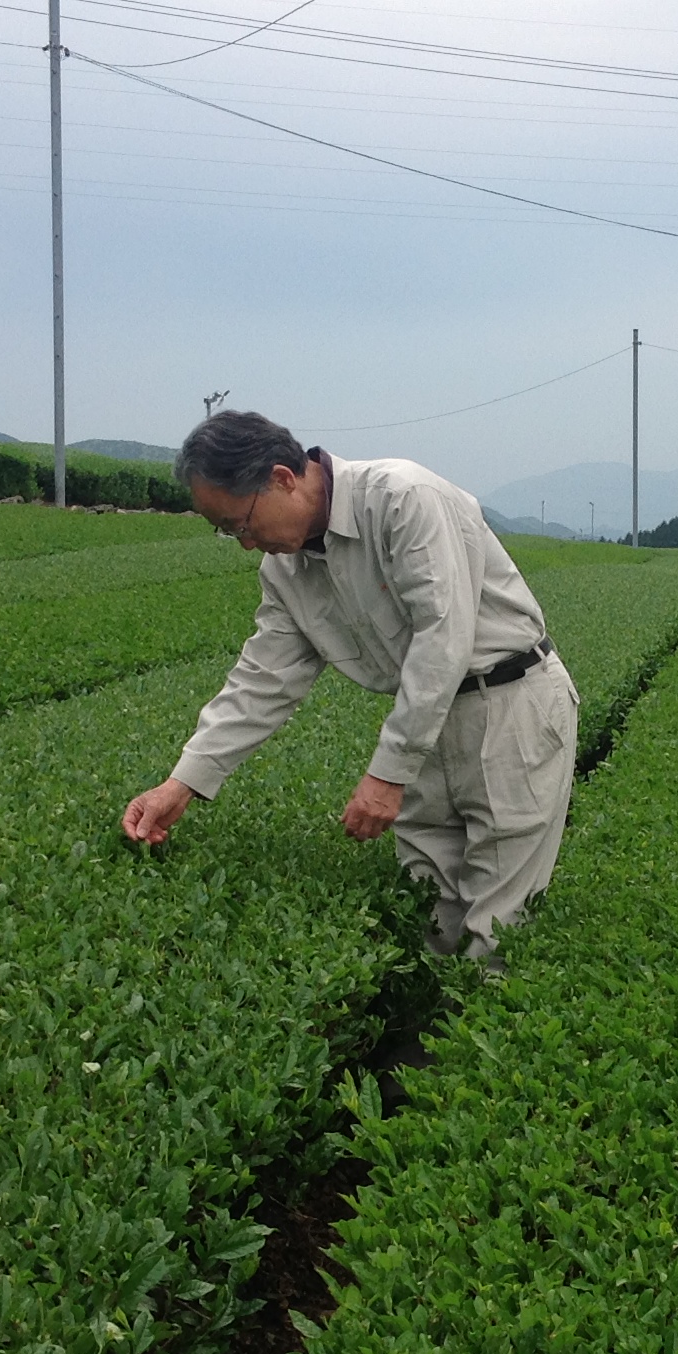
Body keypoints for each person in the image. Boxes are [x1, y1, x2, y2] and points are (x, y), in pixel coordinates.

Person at [122, 410, 579, 962]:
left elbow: (443, 640)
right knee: (430, 904)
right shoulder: (286, 570)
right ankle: (426, 1036)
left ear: (282, 479)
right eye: (228, 532)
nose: (245, 544)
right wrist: (181, 784)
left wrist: (388, 775)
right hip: (425, 721)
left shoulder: (402, 499)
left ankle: (480, 1038)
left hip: (511, 707)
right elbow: (262, 680)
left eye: (240, 524)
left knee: (499, 924)